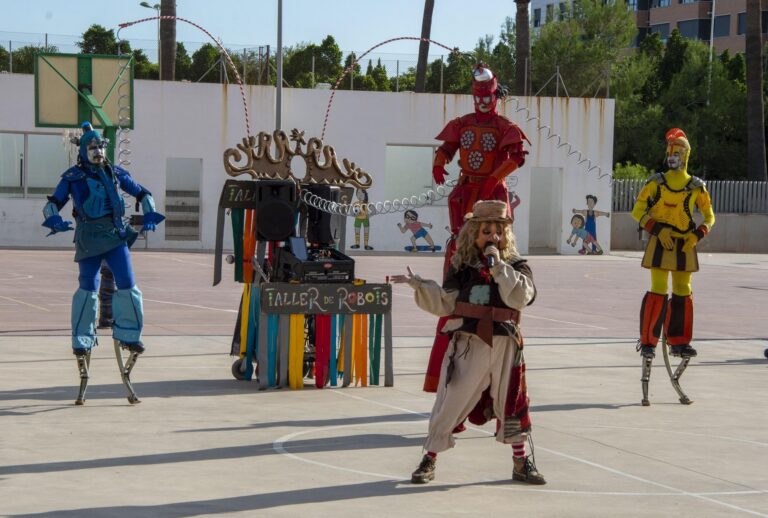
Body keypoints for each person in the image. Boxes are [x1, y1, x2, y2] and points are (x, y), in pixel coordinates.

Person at [391, 200, 545, 485]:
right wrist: (419, 285)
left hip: (506, 345)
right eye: (487, 231)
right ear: (474, 234)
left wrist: (499, 268)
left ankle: (521, 462)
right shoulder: (461, 268)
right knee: (451, 401)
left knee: (512, 402)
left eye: (499, 232)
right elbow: (446, 303)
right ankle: (429, 459)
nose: (493, 237)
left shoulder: (517, 266)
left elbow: (521, 298)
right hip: (469, 344)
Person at [424, 63, 530, 392]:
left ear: (495, 95)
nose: (483, 102)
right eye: (478, 97)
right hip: (466, 191)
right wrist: (439, 162)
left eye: (488, 96)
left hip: (491, 194)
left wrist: (493, 179)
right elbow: (447, 147)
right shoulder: (463, 123)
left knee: (496, 247)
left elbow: (517, 155)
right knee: (460, 247)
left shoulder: (504, 126)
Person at [42, 122, 165, 360]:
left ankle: (130, 335)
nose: (97, 151)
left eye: (100, 146)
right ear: (83, 150)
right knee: (88, 286)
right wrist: (54, 220)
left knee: (127, 283)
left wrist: (150, 213)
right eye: (92, 147)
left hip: (115, 235)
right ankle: (82, 338)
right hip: (88, 238)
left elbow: (142, 192)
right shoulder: (72, 177)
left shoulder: (116, 173)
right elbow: (53, 203)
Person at [631, 128, 714, 359]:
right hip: (661, 241)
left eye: (676, 152)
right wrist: (658, 230)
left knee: (683, 291)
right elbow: (637, 211)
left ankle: (679, 341)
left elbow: (710, 216)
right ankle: (648, 342)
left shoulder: (697, 187)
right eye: (669, 151)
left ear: (686, 155)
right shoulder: (655, 183)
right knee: (658, 289)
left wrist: (697, 235)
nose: (671, 156)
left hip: (684, 244)